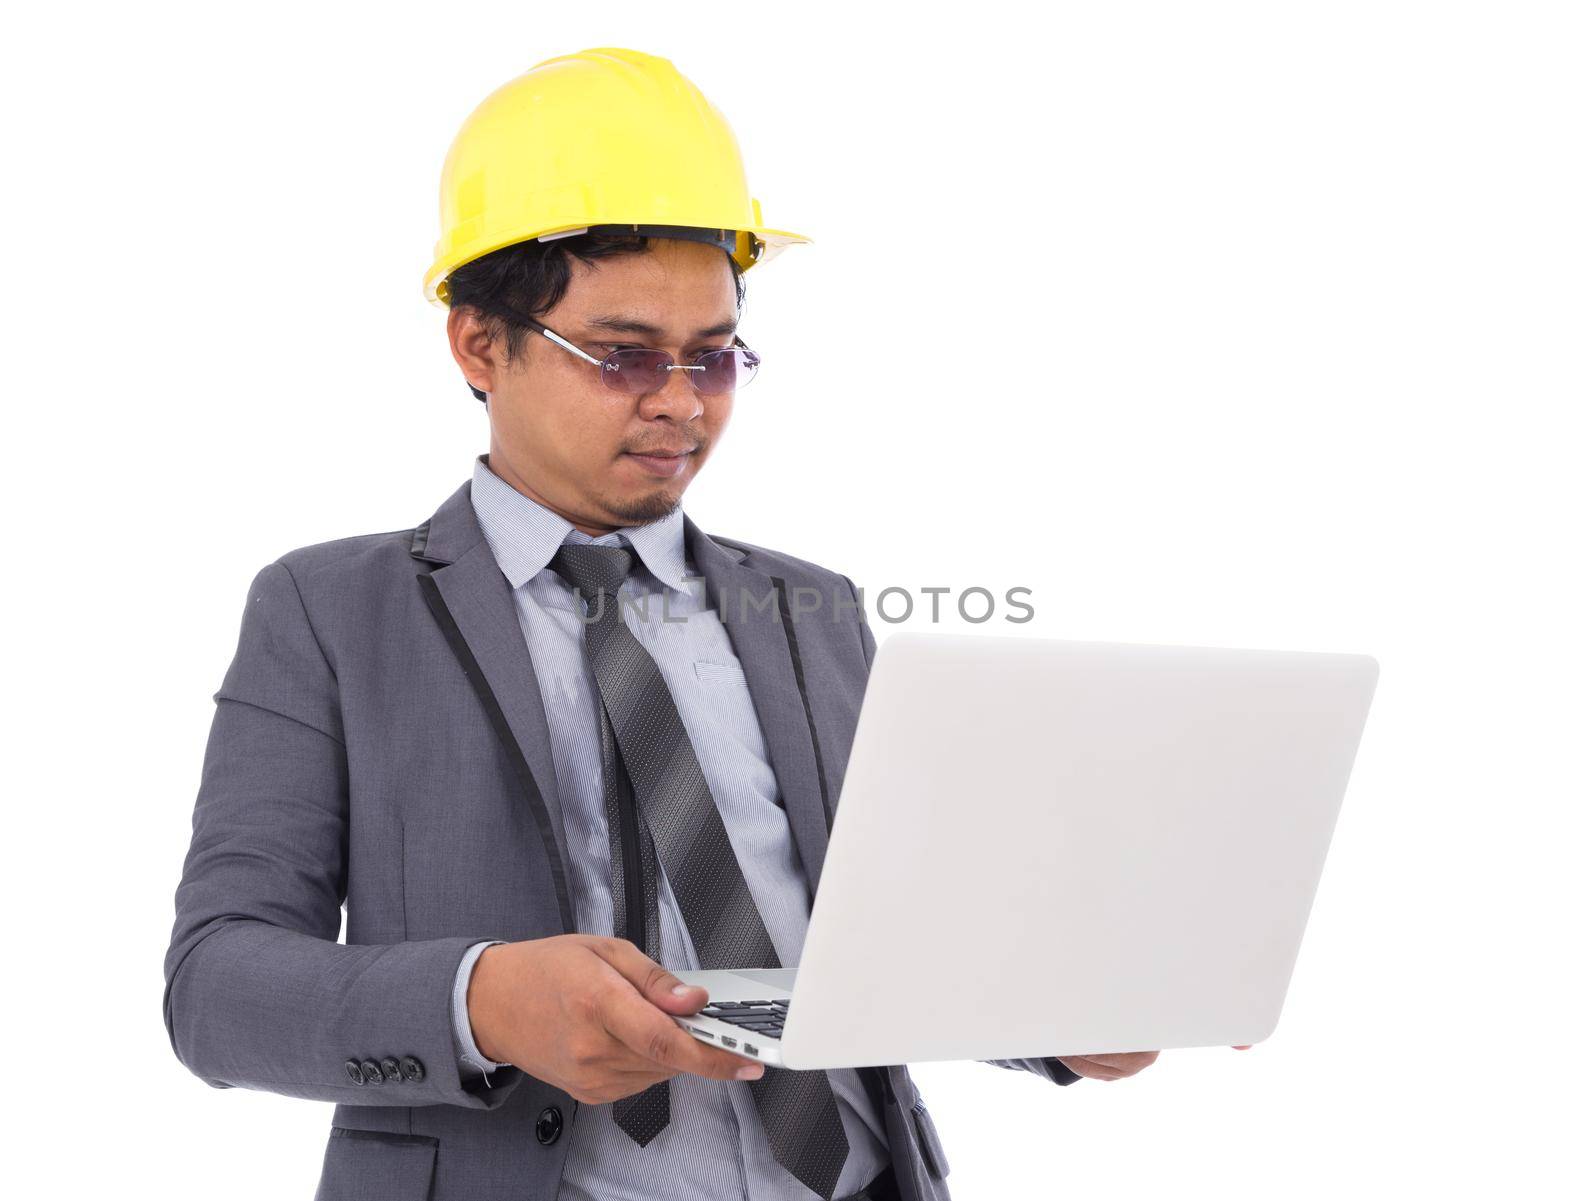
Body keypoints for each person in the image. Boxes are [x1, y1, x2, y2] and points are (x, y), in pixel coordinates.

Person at [162, 46, 1174, 1201]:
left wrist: (1053, 1020)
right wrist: (484, 1001)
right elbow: (216, 988)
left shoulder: (814, 608)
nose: (681, 402)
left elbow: (881, 949)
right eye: (625, 355)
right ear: (478, 343)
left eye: (716, 356)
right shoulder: (329, 611)